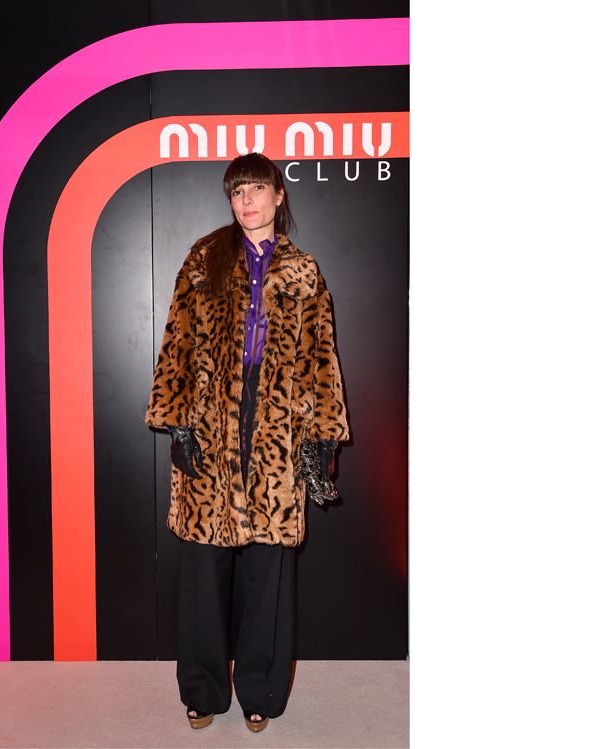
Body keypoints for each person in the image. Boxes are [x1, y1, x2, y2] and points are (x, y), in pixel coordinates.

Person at [145, 152, 349, 732]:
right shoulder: (204, 258)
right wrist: (178, 422)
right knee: (204, 571)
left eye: (257, 189)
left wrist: (321, 438)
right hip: (212, 424)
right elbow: (177, 344)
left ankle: (260, 688)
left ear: (279, 196)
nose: (247, 201)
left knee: (269, 574)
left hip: (277, 427)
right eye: (237, 192)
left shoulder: (304, 272)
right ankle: (203, 688)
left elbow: (321, 360)